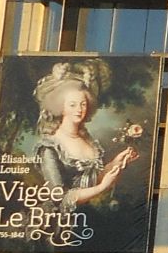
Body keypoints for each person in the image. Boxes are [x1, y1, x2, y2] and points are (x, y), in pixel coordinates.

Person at [32, 61, 139, 210]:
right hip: (59, 224)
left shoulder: (87, 140)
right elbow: (59, 197)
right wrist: (101, 187)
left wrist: (116, 163)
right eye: (72, 105)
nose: (79, 110)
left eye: (83, 104)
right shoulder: (49, 147)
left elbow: (90, 180)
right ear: (60, 106)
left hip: (87, 218)